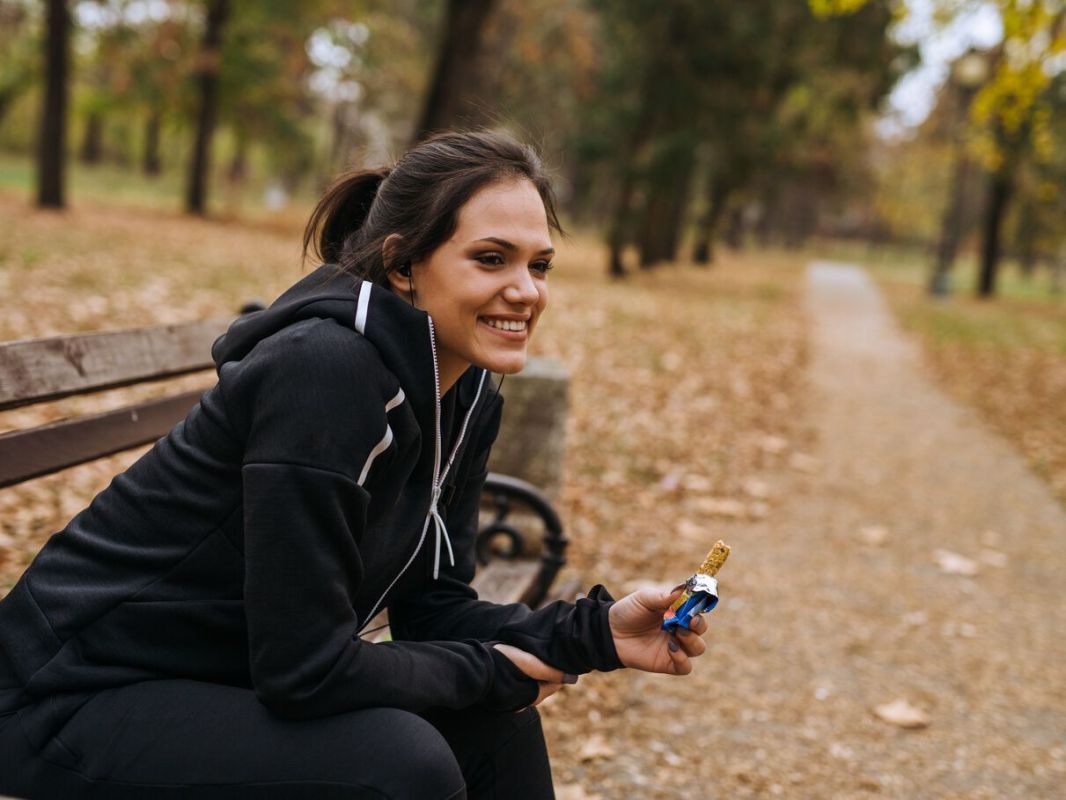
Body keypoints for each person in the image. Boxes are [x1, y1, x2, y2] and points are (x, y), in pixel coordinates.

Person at [0, 130, 708, 799]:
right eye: (492, 259)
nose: (526, 290)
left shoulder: (463, 392)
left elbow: (433, 606)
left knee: (494, 727)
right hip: (65, 697)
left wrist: (592, 635)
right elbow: (304, 672)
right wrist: (494, 669)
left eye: (539, 264)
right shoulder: (324, 373)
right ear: (403, 266)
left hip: (213, 676)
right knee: (402, 765)